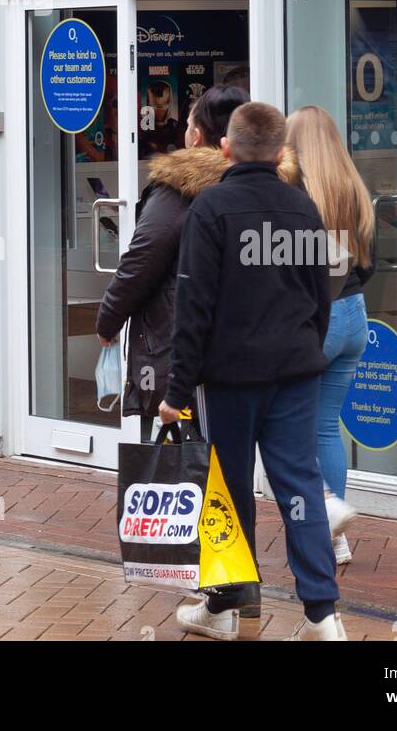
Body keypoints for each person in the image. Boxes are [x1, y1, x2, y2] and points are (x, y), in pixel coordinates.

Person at [159, 101, 344, 641]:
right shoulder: (303, 208)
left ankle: (225, 608)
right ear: (282, 152)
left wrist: (176, 390)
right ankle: (322, 617)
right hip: (295, 372)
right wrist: (306, 347)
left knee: (228, 490)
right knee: (300, 487)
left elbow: (192, 308)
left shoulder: (211, 210)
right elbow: (321, 296)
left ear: (224, 148)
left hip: (232, 378)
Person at [97, 84, 298, 427]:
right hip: (262, 345)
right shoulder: (278, 187)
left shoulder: (179, 189)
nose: (186, 132)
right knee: (236, 452)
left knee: (181, 462)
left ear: (198, 136)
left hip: (188, 345)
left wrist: (109, 317)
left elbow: (143, 257)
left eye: (189, 125)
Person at [285, 106, 375, 568]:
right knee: (325, 427)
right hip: (355, 315)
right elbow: (368, 263)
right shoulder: (353, 186)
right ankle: (334, 538)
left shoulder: (296, 191)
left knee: (292, 428)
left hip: (316, 320)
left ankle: (325, 521)